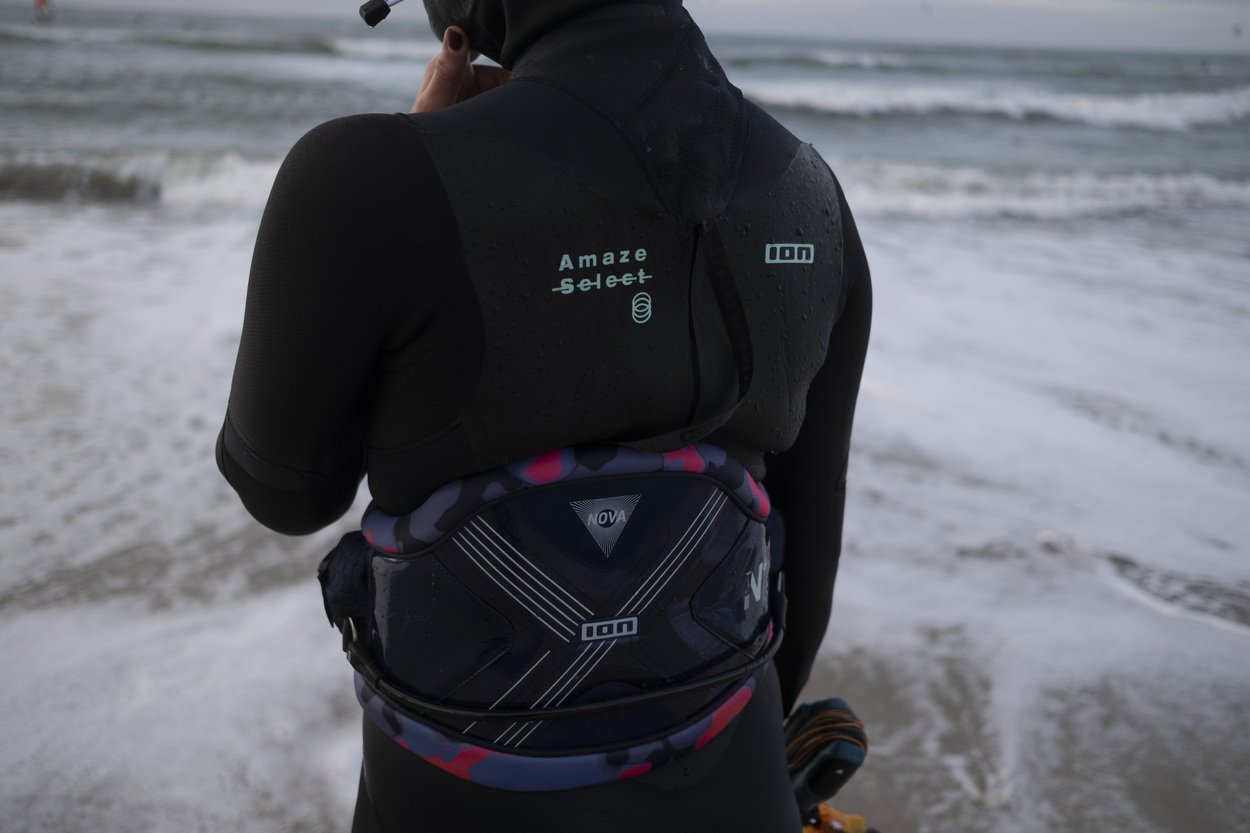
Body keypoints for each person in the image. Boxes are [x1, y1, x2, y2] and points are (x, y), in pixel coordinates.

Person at [216, 0, 871, 830]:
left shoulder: (363, 174)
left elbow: (284, 489)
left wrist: (415, 168)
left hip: (450, 794)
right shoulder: (811, 191)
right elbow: (803, 580)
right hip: (734, 778)